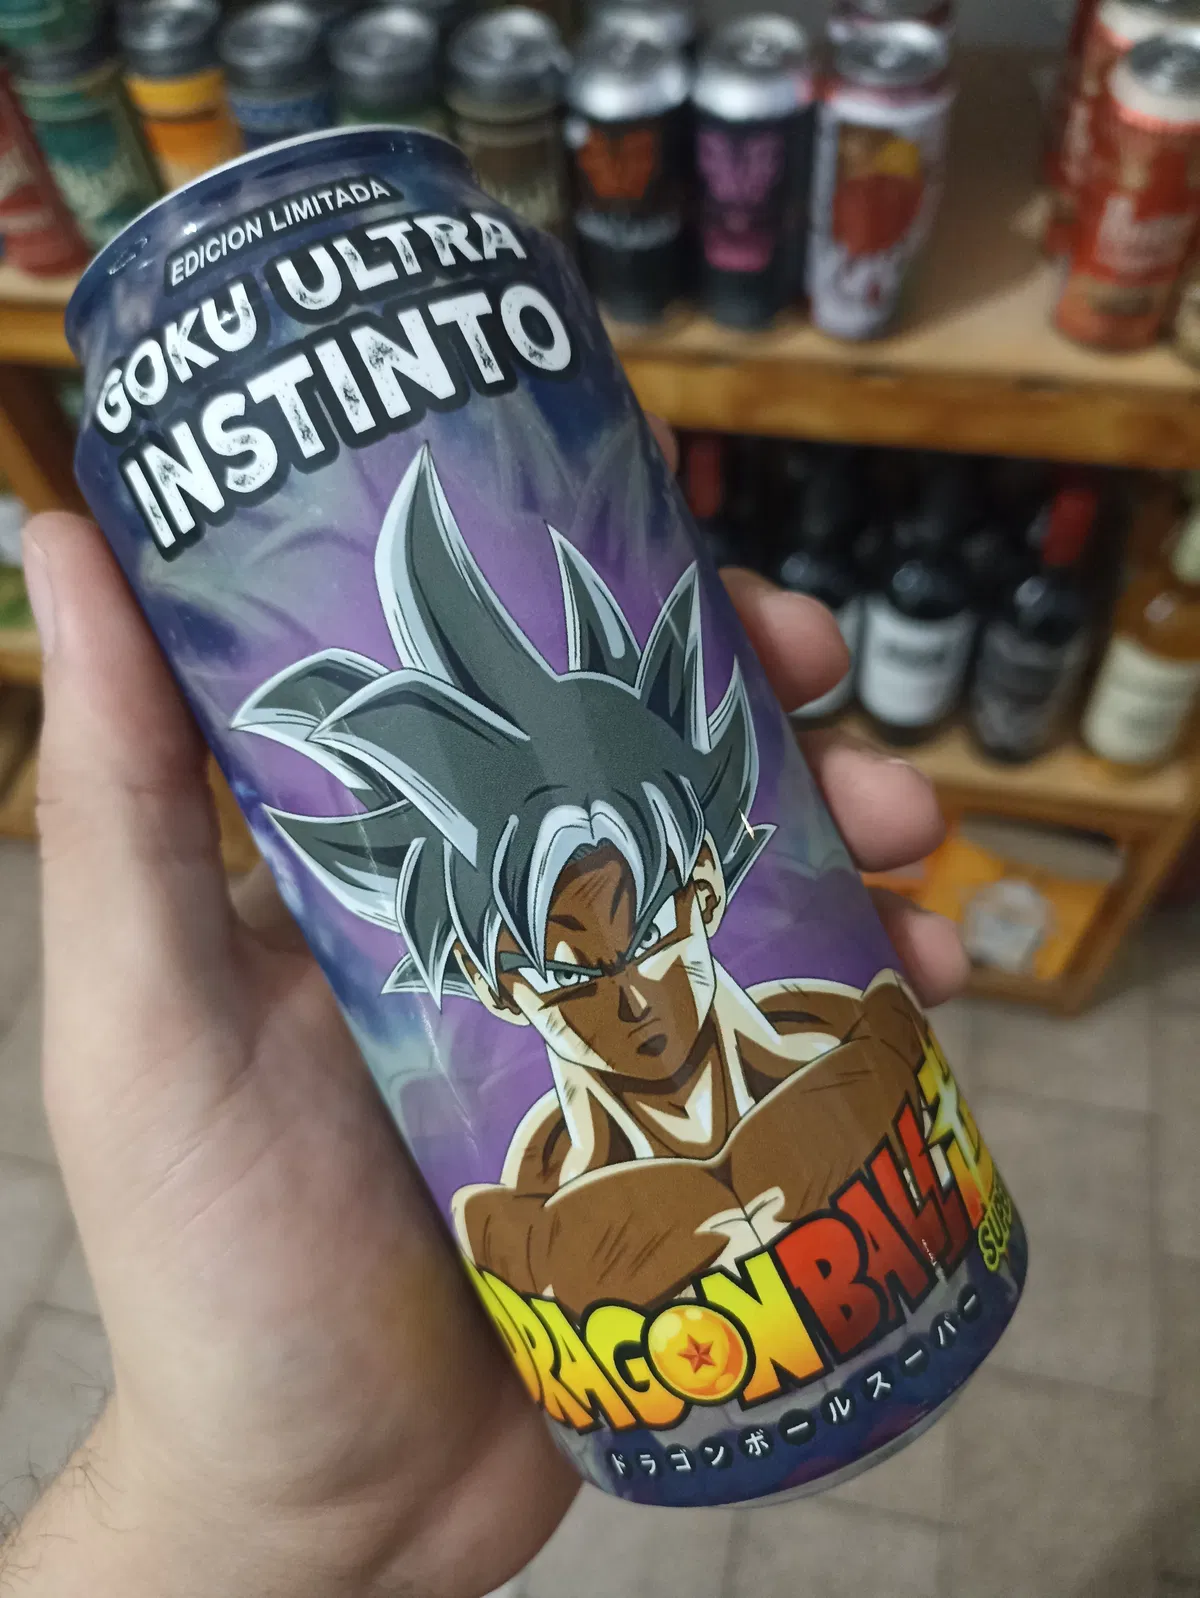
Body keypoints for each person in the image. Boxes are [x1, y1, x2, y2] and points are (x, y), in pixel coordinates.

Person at [1, 422, 967, 1598]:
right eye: (569, 970)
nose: (631, 994)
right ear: (505, 986)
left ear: (706, 886)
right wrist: (236, 1517)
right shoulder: (525, 1238)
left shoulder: (871, 1051)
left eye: (650, 924)